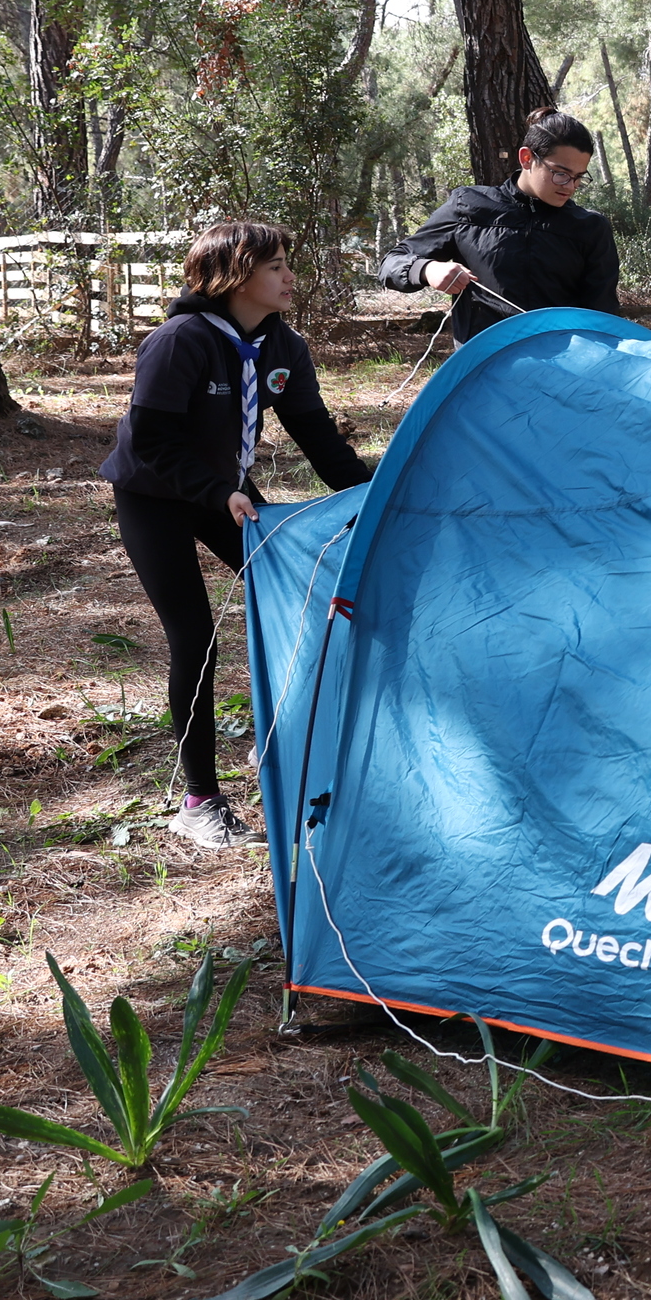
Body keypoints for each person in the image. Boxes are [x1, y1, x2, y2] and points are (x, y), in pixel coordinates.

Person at [100, 222, 374, 848]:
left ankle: (284, 740)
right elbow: (150, 439)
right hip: (156, 496)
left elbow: (318, 437)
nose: (289, 277)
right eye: (275, 266)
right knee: (195, 637)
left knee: (305, 598)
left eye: (287, 263)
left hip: (227, 494)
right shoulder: (180, 342)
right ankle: (199, 800)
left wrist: (367, 497)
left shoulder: (283, 347)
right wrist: (218, 490)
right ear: (235, 275)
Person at [378, 109, 621, 340]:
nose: (569, 186)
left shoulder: (590, 228)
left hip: (563, 372)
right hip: (484, 366)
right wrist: (426, 269)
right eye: (560, 173)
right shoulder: (469, 207)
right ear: (527, 158)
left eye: (578, 178)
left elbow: (602, 316)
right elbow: (391, 264)